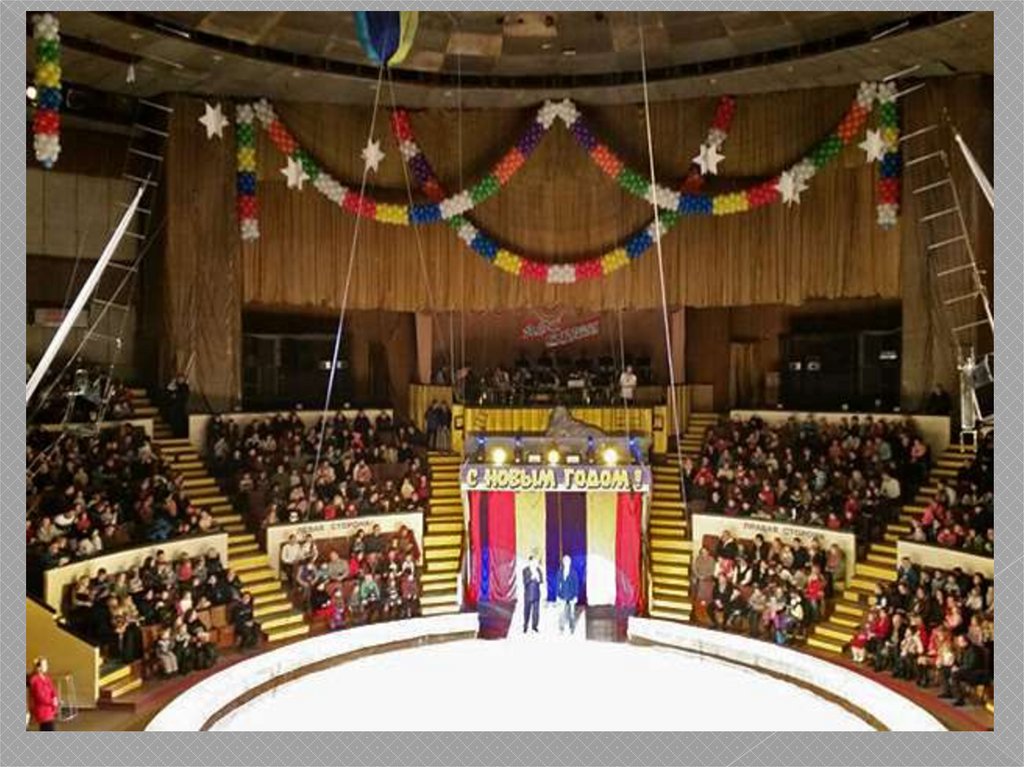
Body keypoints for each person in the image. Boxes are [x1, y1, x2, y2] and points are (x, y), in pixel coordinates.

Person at [28, 657, 59, 731]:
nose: (46, 667)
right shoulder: (35, 680)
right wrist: (52, 701)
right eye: (44, 665)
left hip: (50, 710)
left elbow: (53, 690)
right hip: (43, 711)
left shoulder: (47, 678)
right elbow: (40, 696)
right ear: (39, 668)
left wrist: (55, 698)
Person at [555, 554, 579, 635]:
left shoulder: (574, 573)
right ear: (563, 562)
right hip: (562, 595)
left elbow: (576, 585)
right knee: (561, 613)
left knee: (571, 613)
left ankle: (571, 629)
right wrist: (557, 595)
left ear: (570, 562)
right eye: (565, 561)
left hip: (571, 596)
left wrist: (576, 596)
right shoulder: (560, 572)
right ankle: (561, 629)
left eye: (568, 561)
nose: (566, 563)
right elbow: (557, 585)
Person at [522, 554, 544, 634]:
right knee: (527, 611)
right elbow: (525, 582)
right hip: (528, 595)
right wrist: (531, 577)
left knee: (536, 612)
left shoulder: (538, 570)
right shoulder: (525, 570)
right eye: (533, 561)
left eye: (535, 561)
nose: (534, 563)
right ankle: (525, 626)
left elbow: (541, 581)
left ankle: (534, 627)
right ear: (529, 561)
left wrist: (538, 579)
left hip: (536, 594)